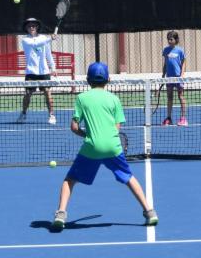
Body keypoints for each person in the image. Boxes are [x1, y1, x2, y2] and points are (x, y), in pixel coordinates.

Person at [52, 62, 158, 230]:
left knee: (69, 180)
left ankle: (61, 214)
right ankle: (150, 212)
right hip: (113, 147)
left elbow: (74, 127)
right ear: (108, 79)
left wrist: (88, 135)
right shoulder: (114, 99)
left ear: (88, 80)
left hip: (91, 148)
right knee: (129, 178)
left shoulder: (81, 98)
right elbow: (117, 127)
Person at [18, 17, 58, 124]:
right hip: (31, 72)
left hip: (44, 72)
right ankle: (23, 113)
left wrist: (53, 68)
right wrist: (50, 38)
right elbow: (35, 44)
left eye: (34, 25)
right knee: (27, 93)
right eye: (30, 26)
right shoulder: (25, 40)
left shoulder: (44, 38)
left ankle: (51, 115)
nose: (32, 27)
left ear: (37, 27)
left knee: (47, 92)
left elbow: (48, 54)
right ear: (26, 28)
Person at [161, 30, 188, 127]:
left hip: (178, 78)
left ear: (176, 40)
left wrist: (182, 74)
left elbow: (184, 62)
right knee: (169, 97)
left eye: (171, 39)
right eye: (168, 39)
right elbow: (165, 63)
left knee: (180, 96)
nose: (169, 41)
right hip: (169, 78)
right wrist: (163, 75)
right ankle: (169, 118)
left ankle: (183, 118)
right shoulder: (165, 50)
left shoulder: (180, 50)